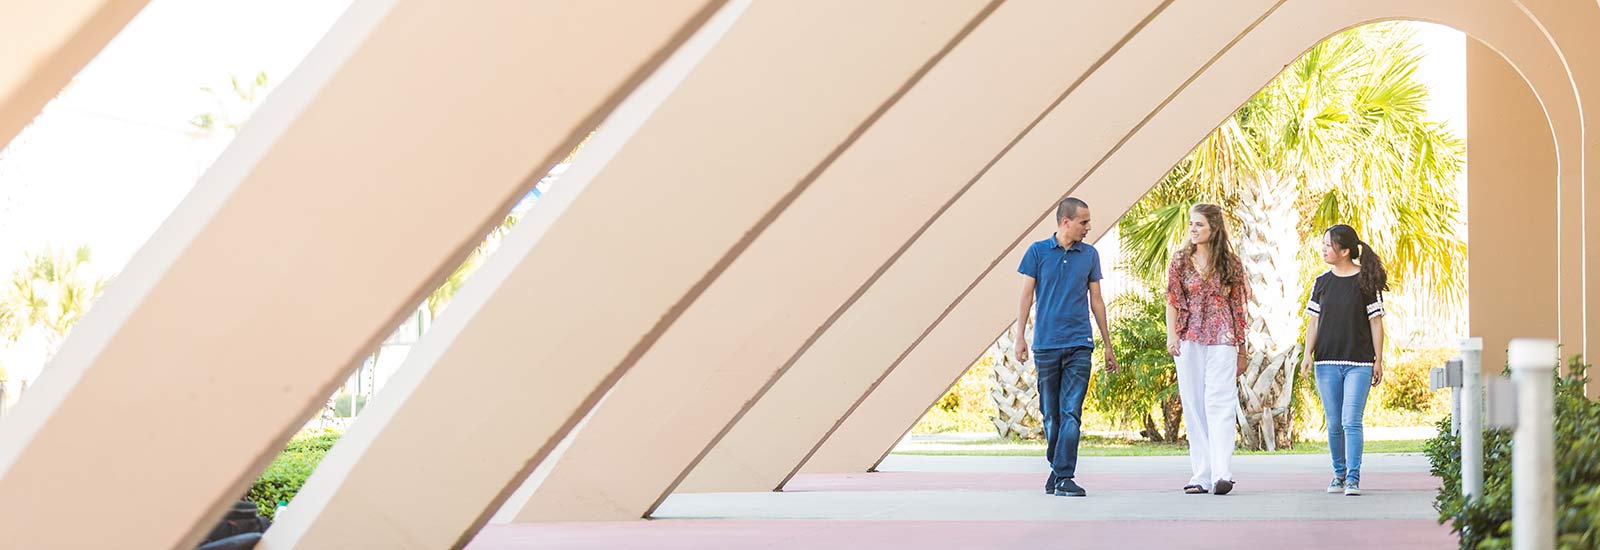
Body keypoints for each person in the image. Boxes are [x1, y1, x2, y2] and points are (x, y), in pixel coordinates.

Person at [1015, 197, 1118, 497]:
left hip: (1079, 344)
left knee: (1071, 411)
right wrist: (1020, 336)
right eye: (1083, 222)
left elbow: (1096, 301)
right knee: (1051, 414)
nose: (1088, 227)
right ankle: (1057, 471)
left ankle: (1064, 476)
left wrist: (1107, 345)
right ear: (1065, 222)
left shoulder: (1090, 255)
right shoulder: (1037, 252)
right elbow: (1026, 296)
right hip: (1045, 344)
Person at [1164, 203, 1249, 496]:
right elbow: (1173, 301)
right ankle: (1201, 473)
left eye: (1199, 224)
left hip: (1223, 337)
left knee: (1220, 402)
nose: (1193, 229)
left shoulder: (1231, 264)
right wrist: (1171, 335)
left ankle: (1222, 473)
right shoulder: (1180, 261)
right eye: (1191, 224)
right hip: (1189, 338)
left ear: (1214, 228)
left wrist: (1242, 349)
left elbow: (1238, 308)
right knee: (1194, 403)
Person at [1300, 224, 1387, 497]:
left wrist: (1379, 360)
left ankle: (1352, 478)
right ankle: (1338, 474)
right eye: (1324, 244)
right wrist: (1306, 356)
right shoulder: (1321, 282)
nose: (1324, 249)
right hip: (1326, 363)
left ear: (1345, 250)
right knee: (1334, 422)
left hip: (1359, 364)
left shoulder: (1366, 281)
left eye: (1329, 245)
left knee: (1351, 421)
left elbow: (1376, 324)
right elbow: (1313, 322)